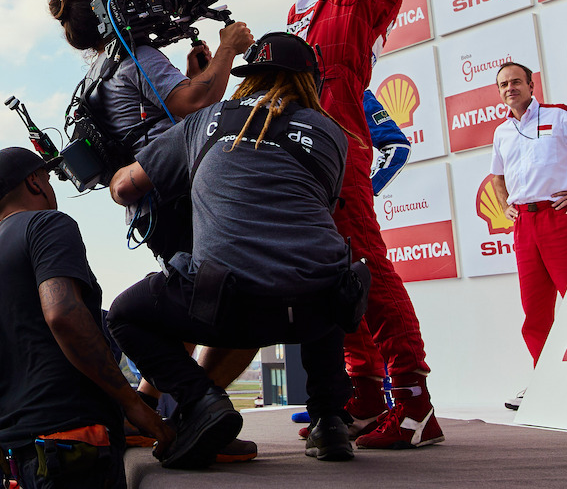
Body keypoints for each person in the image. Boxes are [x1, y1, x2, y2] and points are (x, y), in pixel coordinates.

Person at [269, 0, 441, 448]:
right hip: (303, 153)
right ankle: (364, 389)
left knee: (366, 264)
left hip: (340, 145)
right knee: (325, 269)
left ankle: (417, 399)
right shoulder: (306, 0)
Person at [106, 33, 371, 468]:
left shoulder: (206, 120)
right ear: (311, 83)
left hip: (226, 308)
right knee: (325, 266)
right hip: (309, 310)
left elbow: (125, 187)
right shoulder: (332, 134)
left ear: (249, 79)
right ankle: (330, 422)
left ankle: (201, 400)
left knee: (124, 313)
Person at [48, 0, 258, 458]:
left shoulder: (100, 72)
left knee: (181, 315)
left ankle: (146, 413)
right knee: (237, 309)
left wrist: (200, 72)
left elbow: (177, 107)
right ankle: (200, 415)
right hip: (182, 198)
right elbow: (194, 104)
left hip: (154, 207)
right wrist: (228, 48)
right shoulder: (138, 57)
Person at [0, 147, 172, 489]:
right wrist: (132, 405)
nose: (51, 187)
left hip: (15, 454)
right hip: (71, 448)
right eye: (48, 178)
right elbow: (63, 314)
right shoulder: (47, 224)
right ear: (34, 182)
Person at [488, 62, 567, 408]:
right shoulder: (501, 132)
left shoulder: (560, 115)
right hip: (525, 224)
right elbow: (497, 177)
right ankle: (545, 379)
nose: (510, 88)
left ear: (531, 84)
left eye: (515, 82)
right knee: (535, 310)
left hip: (561, 217)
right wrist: (505, 206)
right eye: (503, 85)